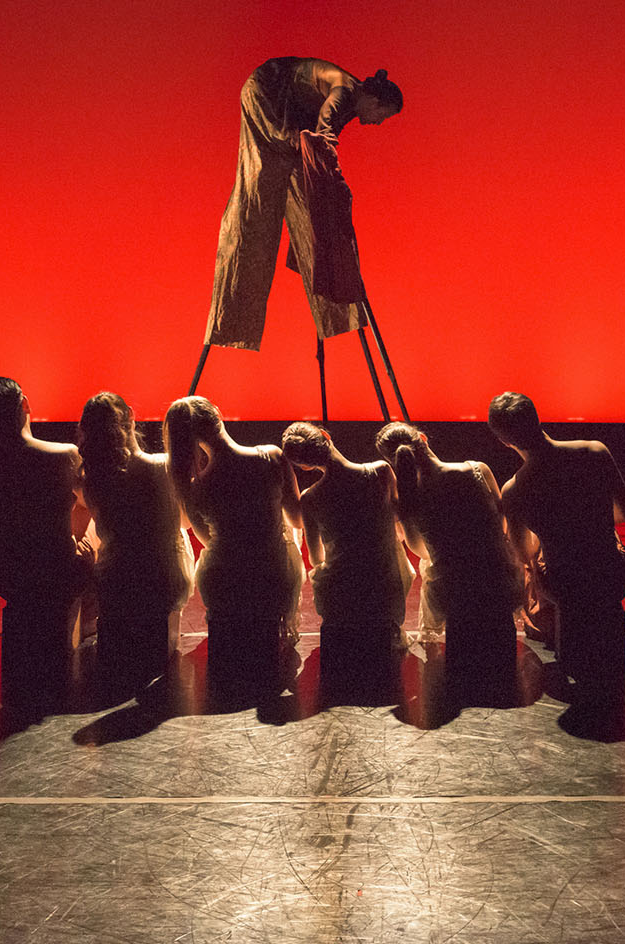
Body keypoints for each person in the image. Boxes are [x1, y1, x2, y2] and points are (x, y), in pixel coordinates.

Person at [204, 58, 402, 353]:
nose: (377, 122)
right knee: (265, 188)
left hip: (291, 107)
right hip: (268, 93)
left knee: (305, 182)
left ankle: (322, 279)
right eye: (381, 114)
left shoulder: (349, 99)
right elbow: (322, 133)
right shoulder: (344, 93)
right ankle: (235, 315)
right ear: (373, 99)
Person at [487, 392, 625, 718]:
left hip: (564, 584)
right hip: (612, 571)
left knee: (534, 564)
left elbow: (522, 552)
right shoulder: (595, 451)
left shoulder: (515, 489)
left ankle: (563, 633)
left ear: (502, 440)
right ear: (538, 418)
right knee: (602, 539)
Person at [0, 376, 91, 716]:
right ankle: (94, 640)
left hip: (10, 578)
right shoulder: (64, 456)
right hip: (59, 575)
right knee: (90, 516)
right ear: (25, 406)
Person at [162, 396, 304, 697]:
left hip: (223, 580)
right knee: (265, 666)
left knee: (227, 669)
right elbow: (297, 518)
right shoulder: (271, 458)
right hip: (268, 573)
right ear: (217, 415)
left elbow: (207, 539)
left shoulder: (196, 485)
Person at [373, 422, 522, 698]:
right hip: (498, 582)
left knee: (431, 563)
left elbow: (421, 550)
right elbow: (500, 525)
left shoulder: (409, 498)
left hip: (454, 592)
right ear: (424, 439)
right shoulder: (477, 470)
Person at [76, 392, 194, 698]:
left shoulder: (91, 479)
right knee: (175, 537)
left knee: (98, 534)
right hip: (162, 581)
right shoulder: (163, 466)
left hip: (116, 583)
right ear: (130, 415)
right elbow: (185, 523)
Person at [281, 422, 413, 695]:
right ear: (326, 436)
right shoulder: (380, 472)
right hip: (382, 589)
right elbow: (400, 521)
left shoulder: (311, 497)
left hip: (340, 595)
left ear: (304, 467)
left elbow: (317, 557)